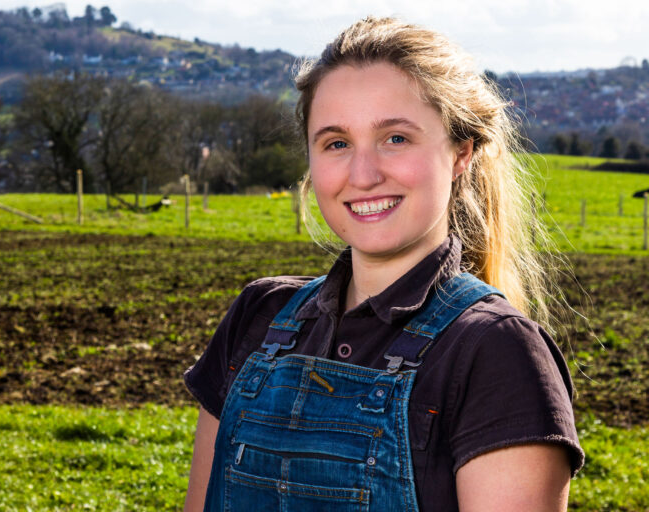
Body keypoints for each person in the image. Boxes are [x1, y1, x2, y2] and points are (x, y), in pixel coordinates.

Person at [183, 16, 584, 512]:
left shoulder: (496, 353)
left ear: (461, 152)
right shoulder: (258, 317)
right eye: (337, 143)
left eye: (395, 138)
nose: (363, 174)